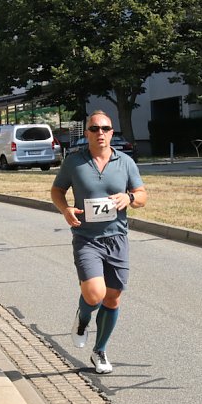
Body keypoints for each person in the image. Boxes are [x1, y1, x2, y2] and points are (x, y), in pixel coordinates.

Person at [50, 110, 147, 374]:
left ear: (112, 133)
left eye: (105, 128)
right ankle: (83, 319)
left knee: (113, 298)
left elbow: (141, 195)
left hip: (117, 238)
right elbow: (57, 190)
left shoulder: (125, 162)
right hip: (86, 238)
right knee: (94, 294)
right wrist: (66, 209)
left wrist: (129, 198)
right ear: (87, 133)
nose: (100, 133)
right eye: (94, 129)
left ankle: (100, 350)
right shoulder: (74, 161)